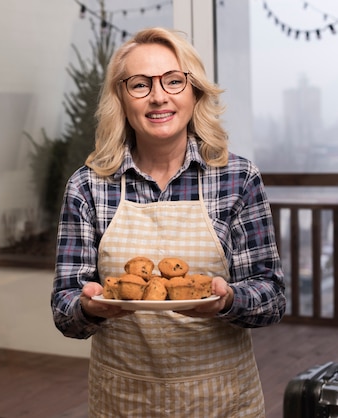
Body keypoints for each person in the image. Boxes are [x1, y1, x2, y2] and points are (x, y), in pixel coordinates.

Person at [51, 27, 286, 417]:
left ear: (194, 92)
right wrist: (90, 307)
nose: (159, 96)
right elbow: (64, 309)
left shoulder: (238, 179)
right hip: (123, 402)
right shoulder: (88, 186)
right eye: (140, 84)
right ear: (121, 99)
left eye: (174, 81)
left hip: (221, 401)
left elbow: (272, 297)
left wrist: (227, 300)